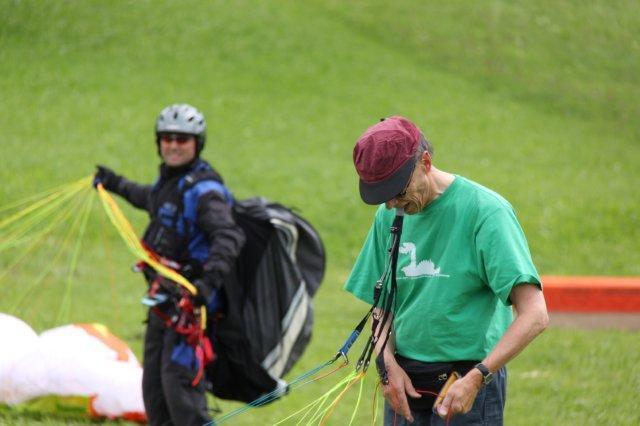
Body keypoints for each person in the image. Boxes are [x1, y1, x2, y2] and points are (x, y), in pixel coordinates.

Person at [344, 116, 548, 425]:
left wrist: (477, 378)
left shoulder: (486, 212)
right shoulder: (389, 217)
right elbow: (382, 304)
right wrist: (386, 365)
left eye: (398, 191)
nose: (391, 205)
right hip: (404, 381)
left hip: (467, 381)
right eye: (384, 196)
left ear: (425, 162)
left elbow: (535, 314)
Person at [94, 103, 245, 426]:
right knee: (154, 391)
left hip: (190, 310)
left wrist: (206, 285)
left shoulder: (205, 192)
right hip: (163, 302)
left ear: (197, 144)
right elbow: (149, 197)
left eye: (182, 139)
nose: (174, 145)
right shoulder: (170, 183)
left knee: (180, 392)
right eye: (167, 138)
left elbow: (229, 236)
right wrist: (114, 183)